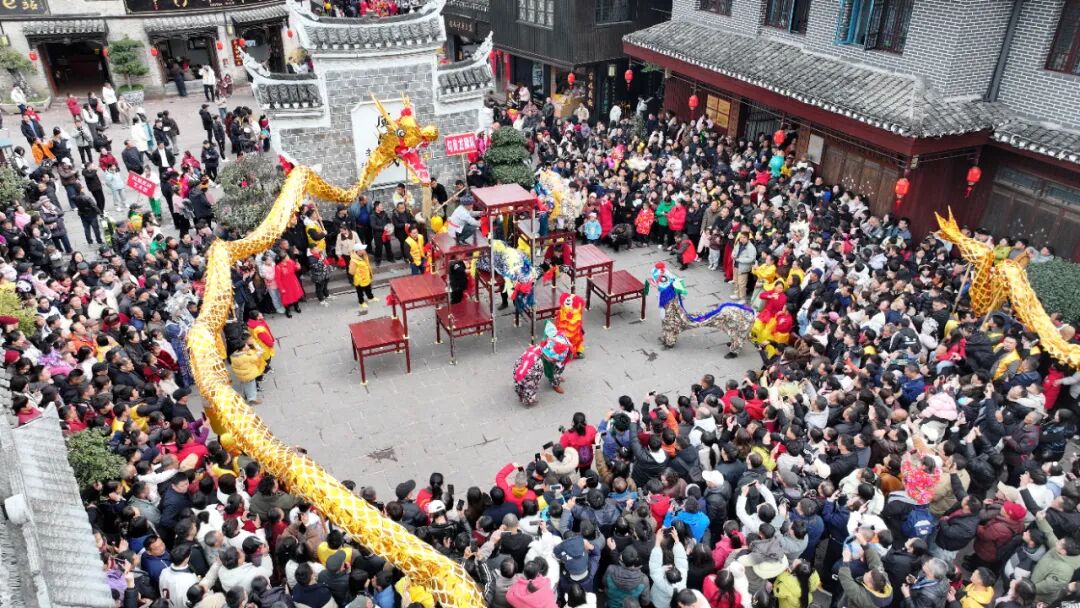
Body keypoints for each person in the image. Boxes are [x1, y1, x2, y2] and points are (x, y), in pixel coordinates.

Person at [348, 242, 374, 313]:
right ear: (358, 251)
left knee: (368, 288)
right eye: (363, 249)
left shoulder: (364, 255)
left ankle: (370, 298)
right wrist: (352, 280)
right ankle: (361, 302)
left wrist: (370, 274)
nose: (364, 250)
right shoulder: (353, 261)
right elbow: (351, 271)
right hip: (359, 279)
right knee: (360, 292)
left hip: (366, 277)